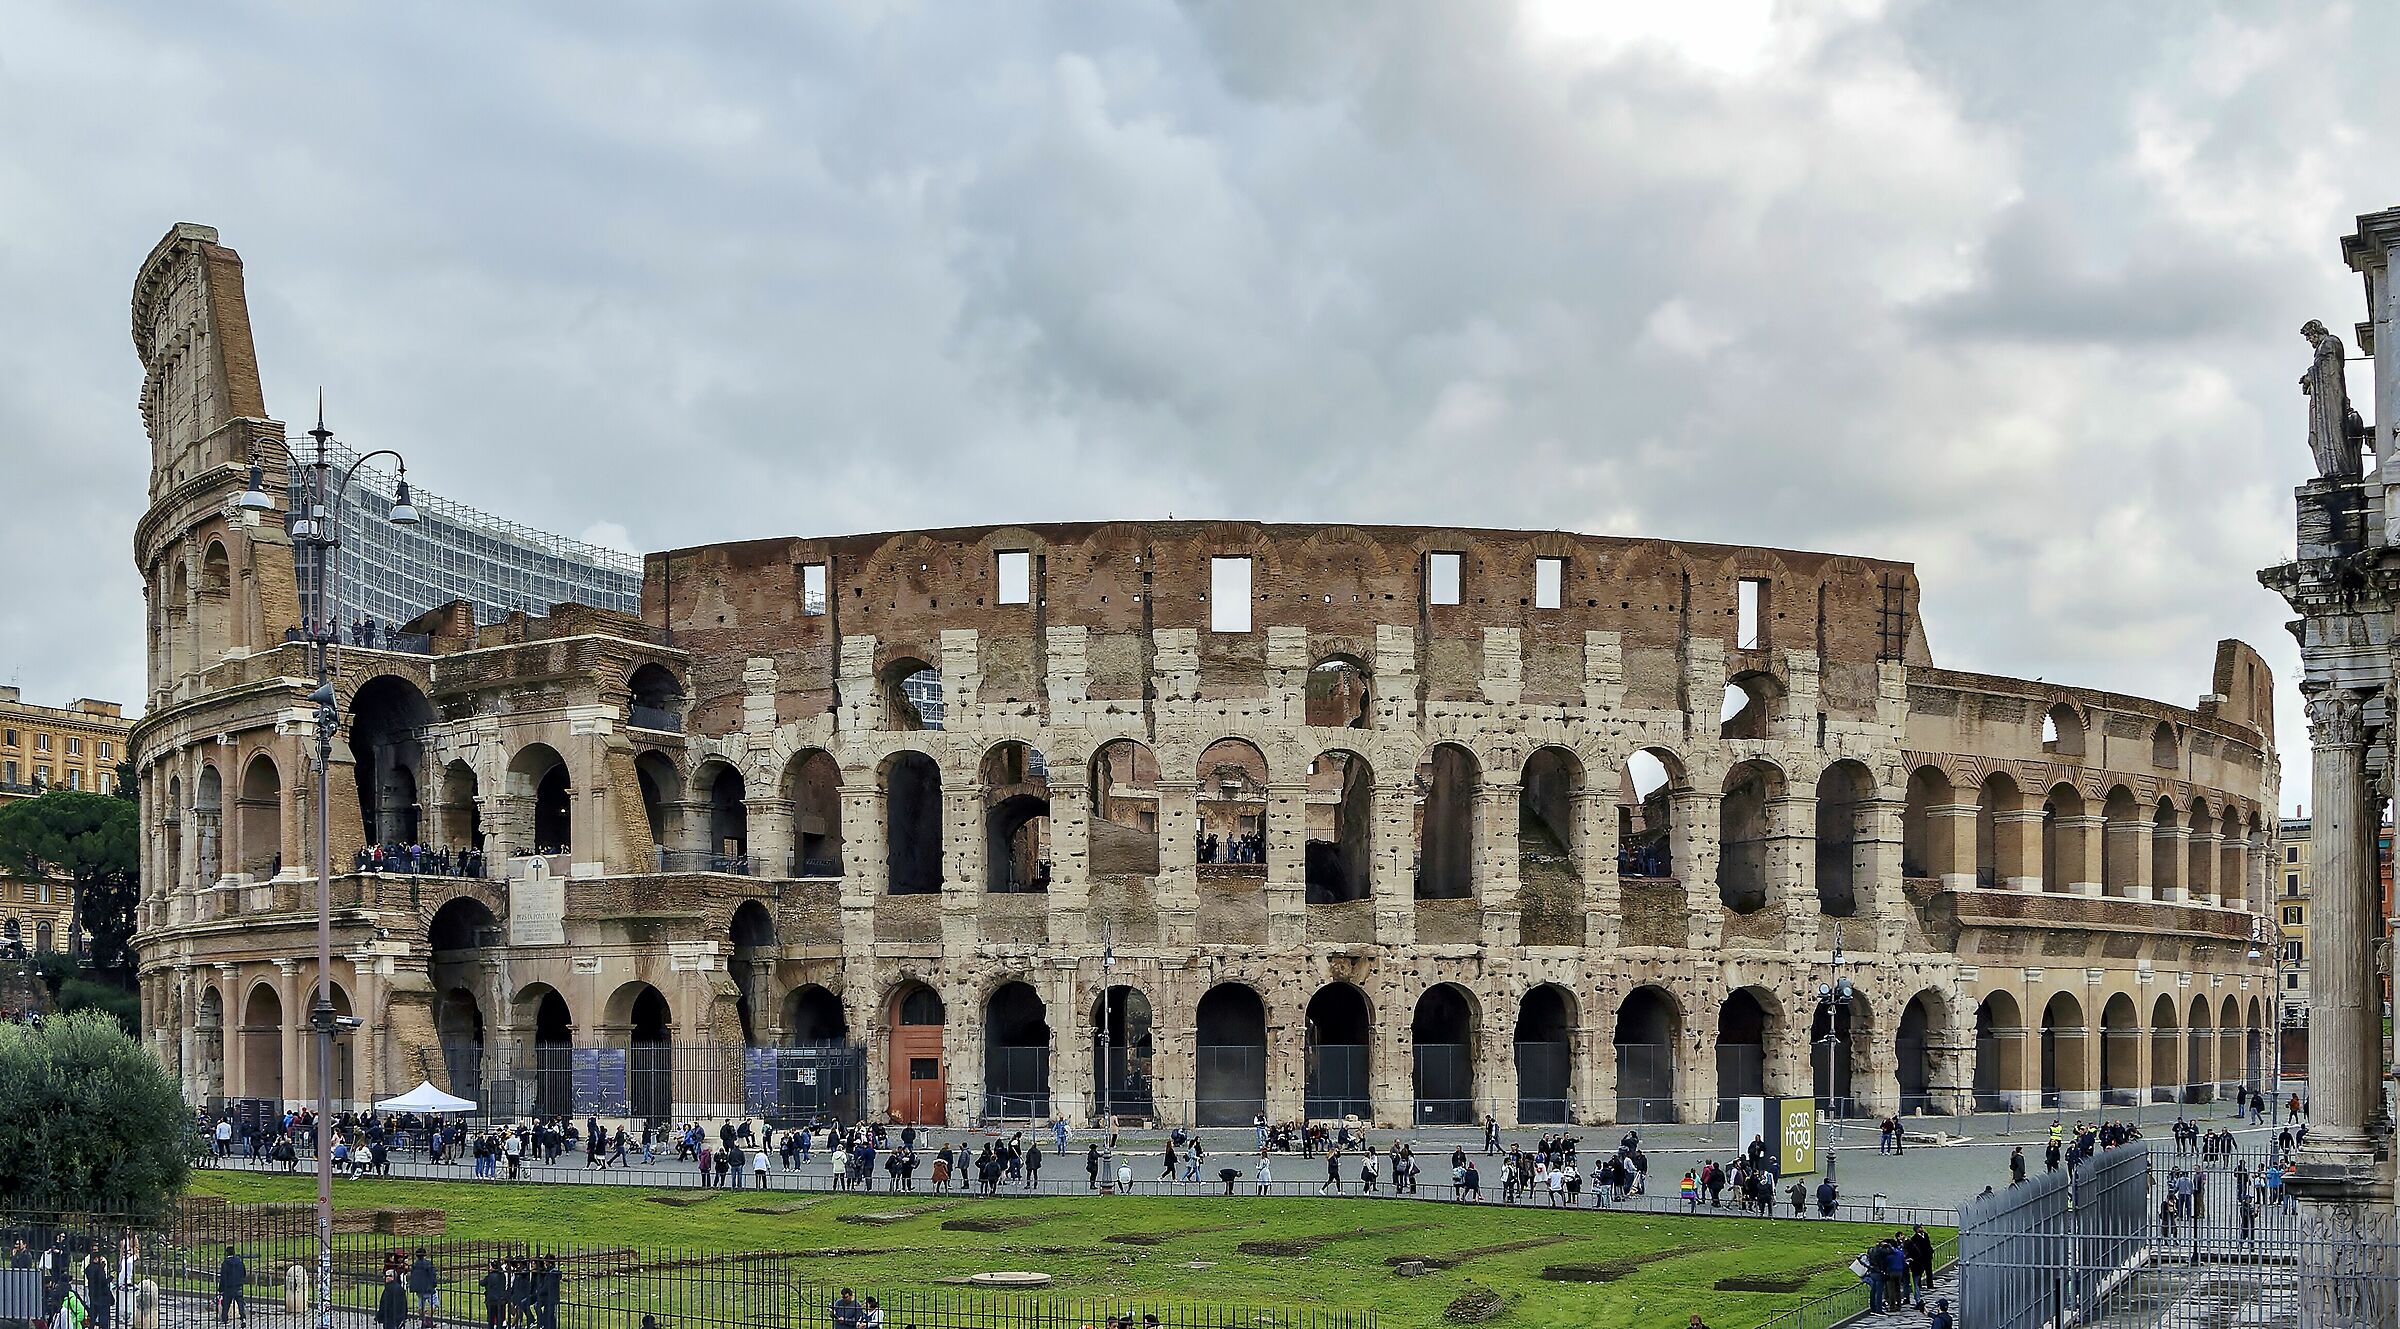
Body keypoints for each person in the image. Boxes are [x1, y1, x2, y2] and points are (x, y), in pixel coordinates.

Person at [407, 1249, 439, 1329]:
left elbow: (412, 1276)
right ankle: (428, 1320)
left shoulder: (415, 1264)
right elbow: (432, 1274)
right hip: (428, 1287)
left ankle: (424, 1320)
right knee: (434, 1303)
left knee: (421, 1305)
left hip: (419, 1288)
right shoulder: (428, 1263)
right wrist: (434, 1283)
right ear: (425, 1255)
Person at [216, 1246, 246, 1324]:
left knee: (226, 1304)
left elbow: (223, 1277)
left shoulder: (225, 1263)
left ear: (227, 1253)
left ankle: (225, 1319)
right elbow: (244, 1273)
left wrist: (220, 1289)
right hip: (238, 1286)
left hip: (228, 1287)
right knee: (240, 1303)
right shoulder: (240, 1262)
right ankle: (243, 1318)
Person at [481, 1259, 508, 1329]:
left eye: (490, 1266)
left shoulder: (490, 1276)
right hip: (501, 1299)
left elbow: (482, 1283)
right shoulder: (502, 1275)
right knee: (499, 1318)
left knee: (491, 1318)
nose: (489, 1268)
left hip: (492, 1300)